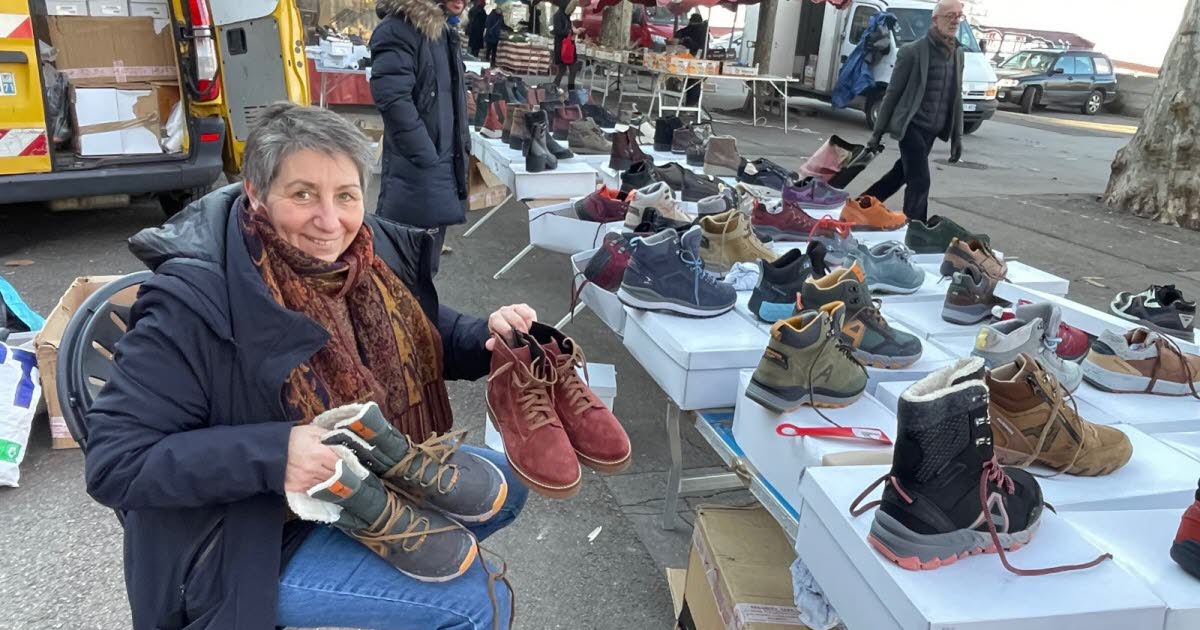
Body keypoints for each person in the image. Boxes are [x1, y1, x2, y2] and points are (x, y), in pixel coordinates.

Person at [83, 103, 532, 630]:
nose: (329, 221)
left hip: (360, 483)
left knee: (510, 485)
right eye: (302, 195)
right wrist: (275, 453)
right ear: (255, 193)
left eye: (345, 195)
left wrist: (488, 335)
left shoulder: (365, 257)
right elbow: (117, 463)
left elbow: (428, 336)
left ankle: (392, 593)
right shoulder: (193, 301)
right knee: (473, 602)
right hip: (248, 534)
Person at [370, 0, 471, 277]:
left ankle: (418, 319)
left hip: (440, 168)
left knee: (425, 268)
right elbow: (392, 98)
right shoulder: (399, 29)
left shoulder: (443, 32)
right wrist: (426, 154)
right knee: (401, 269)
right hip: (419, 169)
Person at [861, 0, 964, 223]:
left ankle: (861, 205)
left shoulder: (958, 54)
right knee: (920, 180)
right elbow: (892, 94)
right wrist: (876, 134)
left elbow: (956, 97)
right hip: (911, 127)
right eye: (950, 15)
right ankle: (915, 230)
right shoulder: (912, 52)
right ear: (935, 20)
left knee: (900, 174)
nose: (955, 20)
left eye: (959, 15)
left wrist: (957, 137)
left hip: (932, 130)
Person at [672, 13, 708, 106]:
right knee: (694, 83)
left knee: (692, 82)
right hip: (699, 60)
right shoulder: (704, 31)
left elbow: (679, 37)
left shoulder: (693, 30)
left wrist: (682, 40)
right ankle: (691, 104)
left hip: (691, 59)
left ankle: (689, 104)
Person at [551, 0, 580, 90]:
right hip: (562, 47)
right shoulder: (558, 16)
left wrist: (573, 30)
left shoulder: (566, 16)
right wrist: (571, 31)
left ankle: (558, 88)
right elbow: (557, 31)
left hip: (568, 47)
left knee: (568, 69)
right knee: (565, 69)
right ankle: (556, 88)